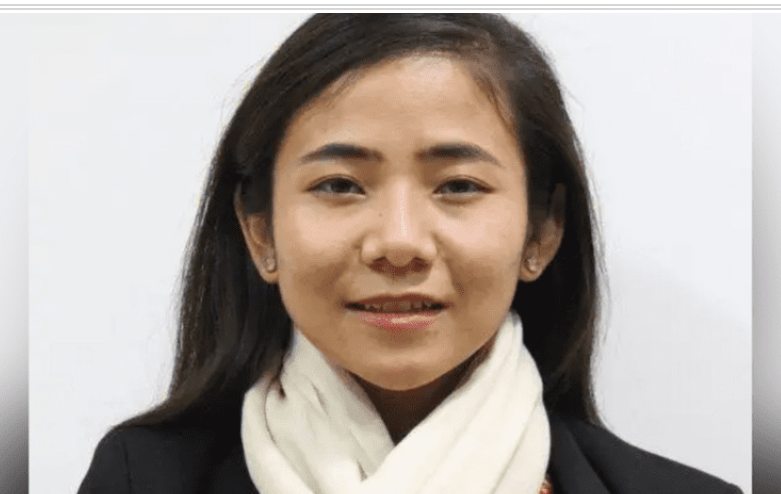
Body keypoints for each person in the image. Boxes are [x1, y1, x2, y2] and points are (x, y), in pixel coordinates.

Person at [77, 13, 742, 494]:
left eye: (458, 186)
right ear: (261, 233)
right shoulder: (142, 479)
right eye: (339, 185)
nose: (398, 242)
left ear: (541, 232)